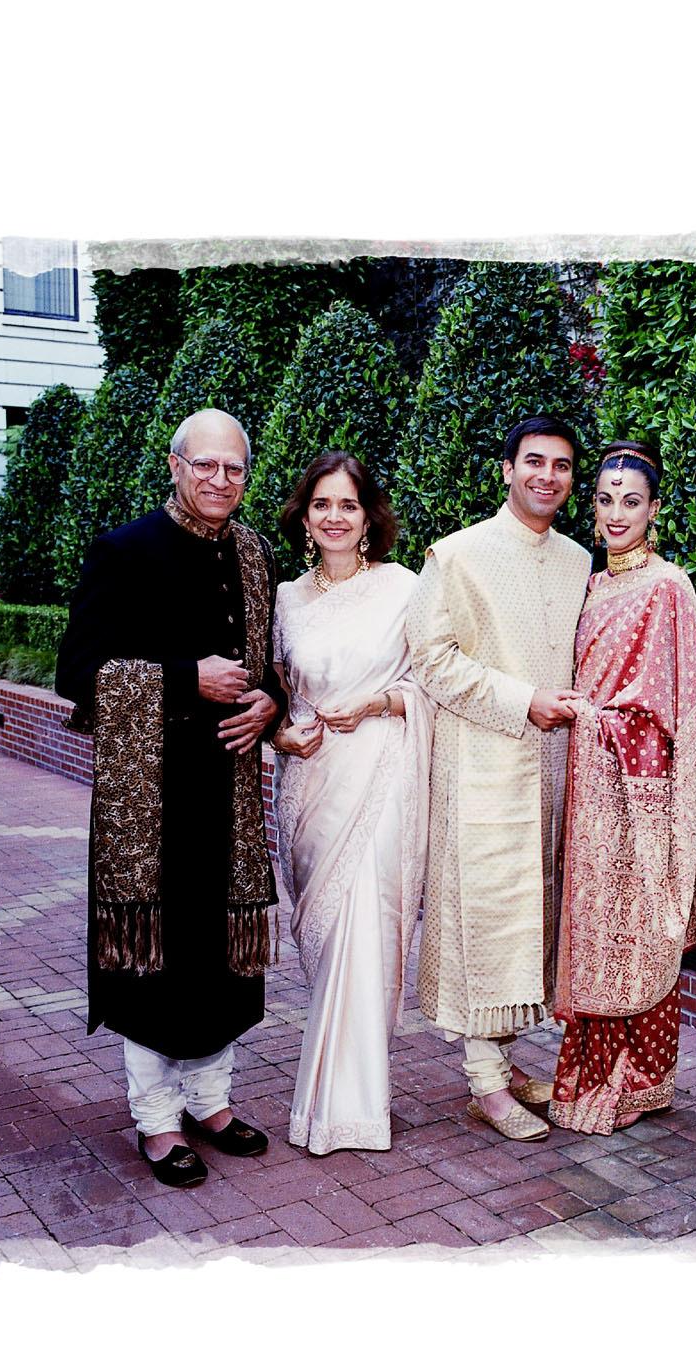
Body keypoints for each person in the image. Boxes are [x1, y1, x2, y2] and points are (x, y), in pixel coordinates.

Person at [56, 409, 288, 1188]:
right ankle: (157, 1121)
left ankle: (211, 1105)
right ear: (175, 466)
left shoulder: (254, 553)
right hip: (149, 804)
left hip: (228, 799)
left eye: (234, 468)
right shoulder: (124, 550)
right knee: (154, 967)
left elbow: (267, 669)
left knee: (220, 966)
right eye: (205, 465)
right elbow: (76, 673)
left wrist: (272, 703)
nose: (220, 480)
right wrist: (189, 678)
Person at [406, 415, 591, 1142]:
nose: (548, 476)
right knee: (485, 917)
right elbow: (431, 660)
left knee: (531, 922)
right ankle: (485, 1083)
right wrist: (523, 701)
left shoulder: (579, 560)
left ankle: (503, 1061)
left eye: (562, 465)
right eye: (534, 462)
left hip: (556, 770)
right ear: (506, 469)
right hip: (482, 765)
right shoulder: (456, 555)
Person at [550, 441, 696, 1135]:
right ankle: (590, 1074)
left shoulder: (669, 587)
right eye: (605, 500)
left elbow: (683, 705)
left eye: (632, 501)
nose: (616, 513)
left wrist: (599, 724)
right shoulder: (590, 587)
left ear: (655, 509)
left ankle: (640, 1079)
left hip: (641, 792)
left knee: (641, 928)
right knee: (592, 934)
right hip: (587, 789)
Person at [270, 453, 432, 1155]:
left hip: (383, 773)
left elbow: (431, 683)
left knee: (368, 925)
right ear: (305, 518)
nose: (334, 517)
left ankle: (351, 1108)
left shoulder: (404, 588)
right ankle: (340, 1089)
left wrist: (378, 702)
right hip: (311, 784)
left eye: (348, 505)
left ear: (369, 518)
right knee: (329, 937)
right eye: (321, 505)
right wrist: (280, 734)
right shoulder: (284, 599)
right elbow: (273, 692)